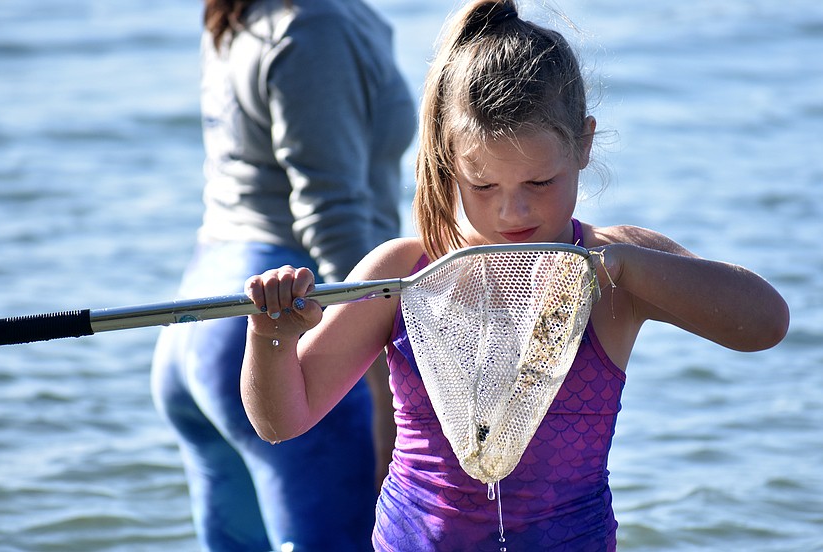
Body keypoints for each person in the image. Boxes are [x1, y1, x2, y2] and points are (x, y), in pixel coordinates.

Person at [239, 1, 791, 550]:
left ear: (584, 144)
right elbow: (283, 420)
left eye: (539, 183)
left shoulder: (614, 270)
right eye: (484, 187)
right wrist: (271, 336)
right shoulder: (404, 273)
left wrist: (626, 265)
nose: (513, 213)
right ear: (448, 160)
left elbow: (764, 324)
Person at [150, 0, 416, 550]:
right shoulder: (316, 25)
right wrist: (383, 378)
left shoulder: (248, 12)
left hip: (201, 320)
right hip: (282, 322)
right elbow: (333, 213)